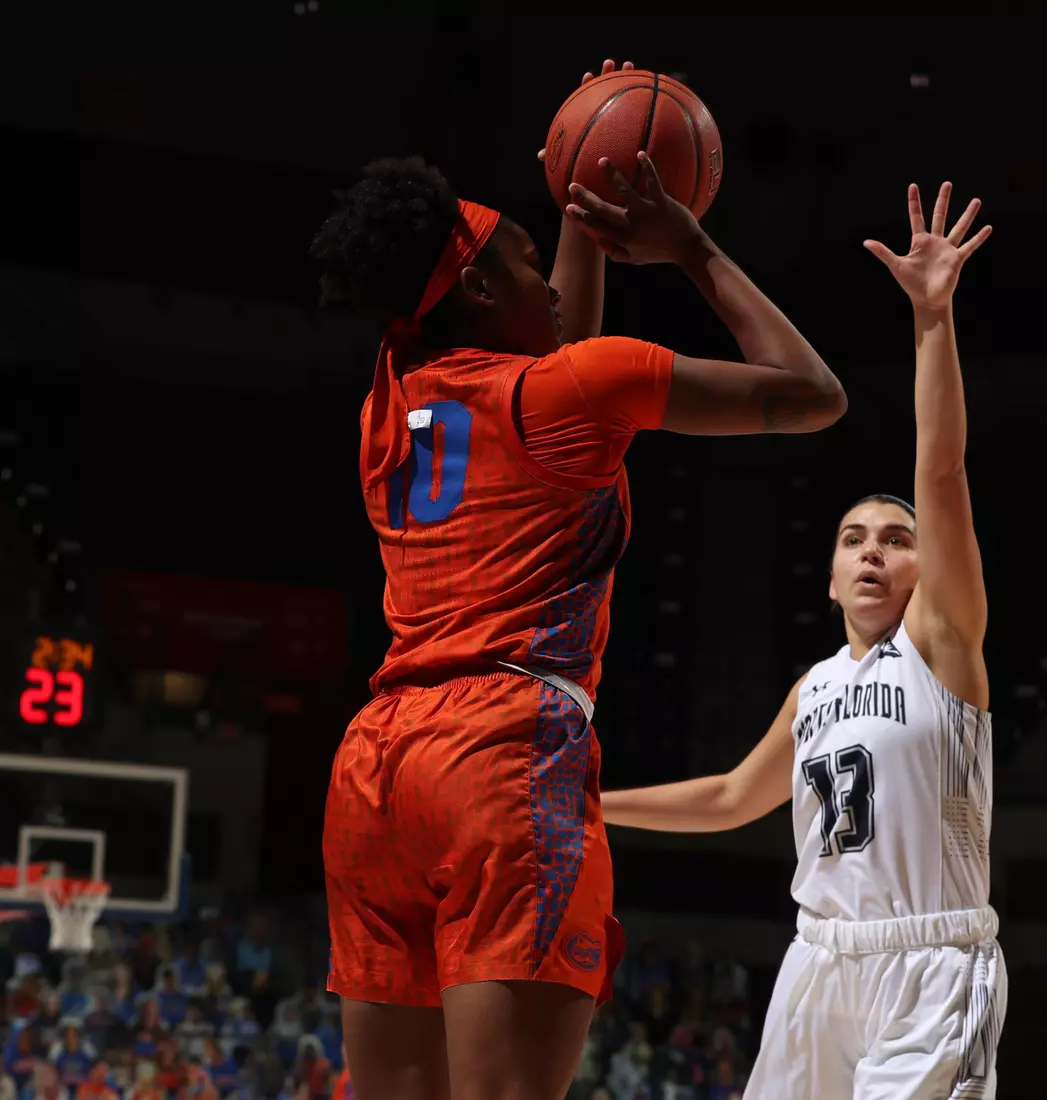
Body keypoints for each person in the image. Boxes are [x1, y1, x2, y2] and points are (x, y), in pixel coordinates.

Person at [311, 59, 845, 1100]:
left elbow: (555, 340)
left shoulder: (388, 393)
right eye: (523, 263)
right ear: (473, 288)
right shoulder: (579, 388)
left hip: (376, 764)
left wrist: (573, 213)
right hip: (501, 752)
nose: (548, 284)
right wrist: (689, 246)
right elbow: (813, 392)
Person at [603, 182, 1003, 1099]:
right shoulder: (816, 687)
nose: (874, 552)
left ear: (924, 569)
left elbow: (938, 468)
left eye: (896, 540)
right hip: (816, 964)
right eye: (853, 539)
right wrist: (591, 802)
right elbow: (730, 797)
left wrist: (931, 320)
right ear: (827, 577)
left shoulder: (941, 646)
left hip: (930, 964)